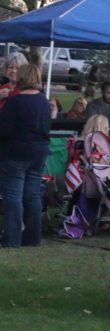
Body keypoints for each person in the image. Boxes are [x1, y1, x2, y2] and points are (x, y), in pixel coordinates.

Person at [0, 63, 51, 247]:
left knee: (13, 195)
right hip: (39, 151)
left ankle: (12, 238)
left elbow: (4, 129)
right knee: (32, 195)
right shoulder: (44, 101)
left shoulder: (15, 102)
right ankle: (32, 237)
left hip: (15, 152)